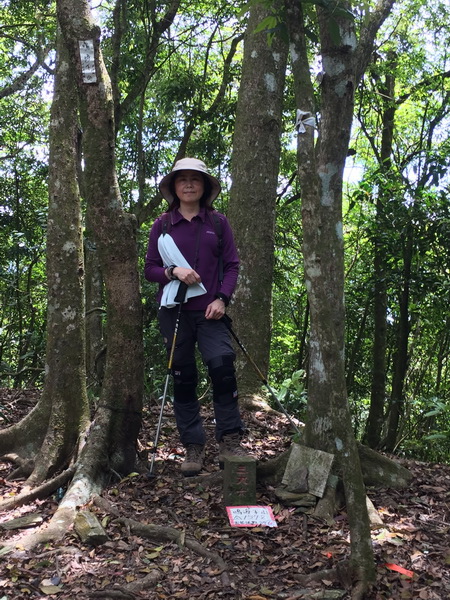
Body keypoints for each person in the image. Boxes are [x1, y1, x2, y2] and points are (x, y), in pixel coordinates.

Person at [144, 157, 248, 477]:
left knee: (222, 367)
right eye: (182, 179)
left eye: (196, 179)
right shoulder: (162, 225)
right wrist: (173, 271)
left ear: (205, 187)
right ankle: (193, 445)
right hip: (174, 312)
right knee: (183, 377)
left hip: (210, 312)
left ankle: (230, 439)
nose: (189, 184)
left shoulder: (218, 223)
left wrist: (222, 298)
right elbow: (150, 269)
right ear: (174, 187)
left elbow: (231, 265)